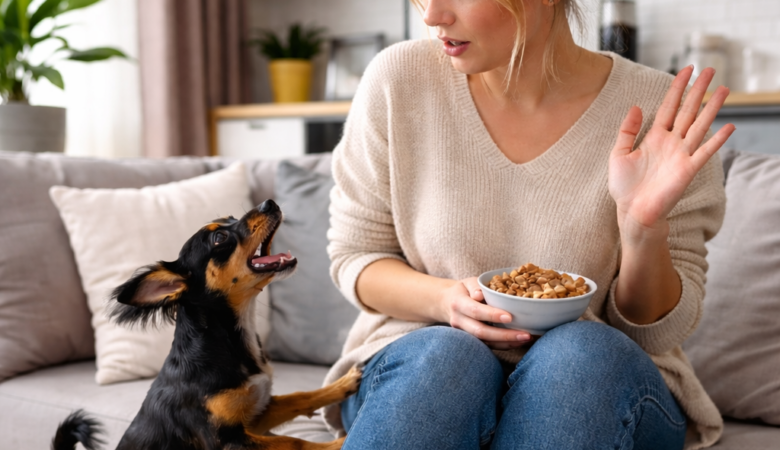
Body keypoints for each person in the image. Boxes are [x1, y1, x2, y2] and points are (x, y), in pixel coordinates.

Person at [321, 0, 735, 448]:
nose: (432, 15)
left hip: (601, 384)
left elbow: (656, 331)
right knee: (446, 355)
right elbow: (356, 256)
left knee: (580, 353)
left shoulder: (659, 114)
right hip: (422, 364)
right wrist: (444, 301)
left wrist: (642, 230)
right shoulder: (399, 80)